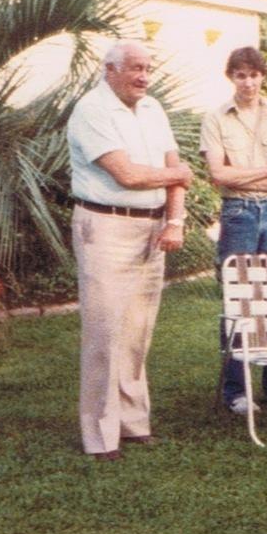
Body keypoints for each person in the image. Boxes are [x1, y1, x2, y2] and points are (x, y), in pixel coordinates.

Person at [67, 41, 193, 460]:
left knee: (137, 331)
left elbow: (175, 174)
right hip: (105, 227)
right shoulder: (92, 110)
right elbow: (125, 175)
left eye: (147, 69)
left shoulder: (153, 109)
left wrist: (174, 221)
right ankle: (100, 437)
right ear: (109, 70)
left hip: (152, 229)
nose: (143, 76)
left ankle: (134, 422)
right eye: (135, 68)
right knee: (105, 332)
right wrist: (178, 174)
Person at [200, 47, 267, 415]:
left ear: (263, 76)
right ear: (232, 78)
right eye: (241, 75)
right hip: (238, 212)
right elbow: (218, 175)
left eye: (254, 74)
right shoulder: (215, 118)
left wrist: (265, 174)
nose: (248, 81)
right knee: (237, 300)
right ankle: (236, 391)